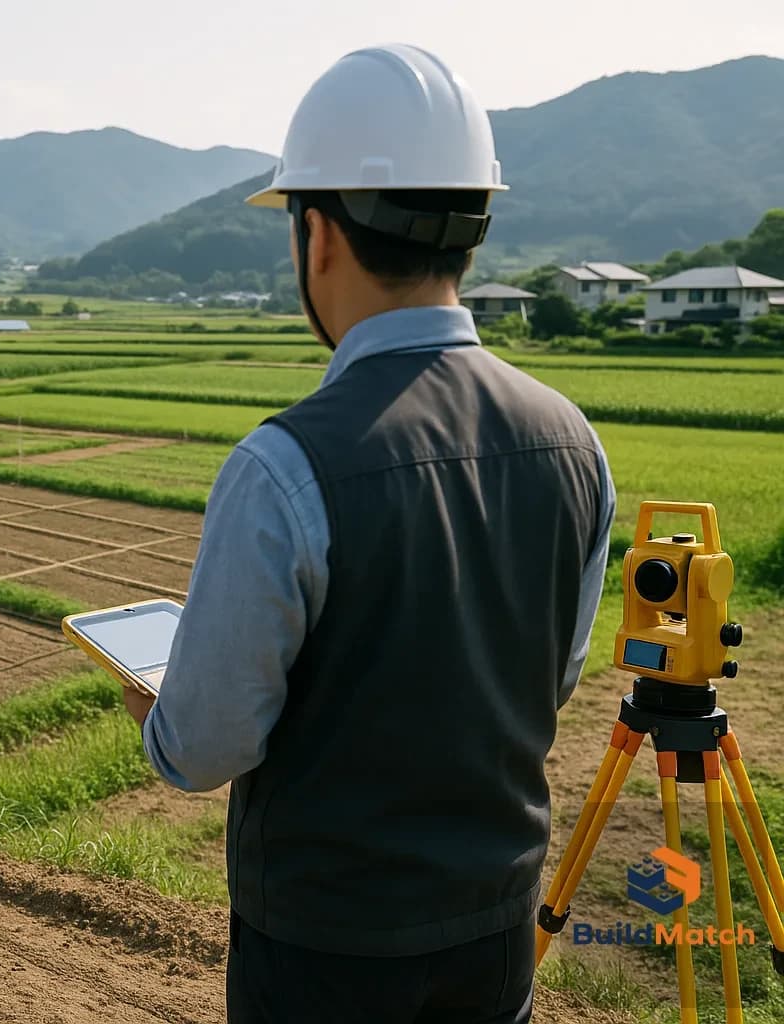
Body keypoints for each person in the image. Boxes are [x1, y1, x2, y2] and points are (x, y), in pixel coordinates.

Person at [121, 44, 616, 1023]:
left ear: (320, 235)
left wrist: (157, 713)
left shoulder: (284, 466)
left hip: (324, 948)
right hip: (494, 927)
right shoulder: (573, 442)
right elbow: (548, 678)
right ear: (472, 230)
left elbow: (206, 745)